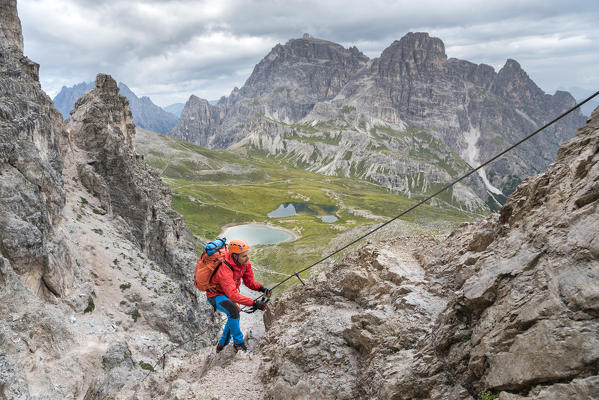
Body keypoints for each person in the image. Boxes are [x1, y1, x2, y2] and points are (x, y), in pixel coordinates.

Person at [206, 239, 271, 352]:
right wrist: (254, 303)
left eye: (247, 255)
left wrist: (261, 288)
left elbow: (248, 281)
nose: (247, 258)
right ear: (235, 256)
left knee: (234, 313)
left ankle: (221, 344)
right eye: (244, 256)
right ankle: (239, 344)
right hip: (216, 295)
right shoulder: (224, 268)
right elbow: (233, 295)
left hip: (227, 293)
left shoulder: (244, 264)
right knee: (234, 311)